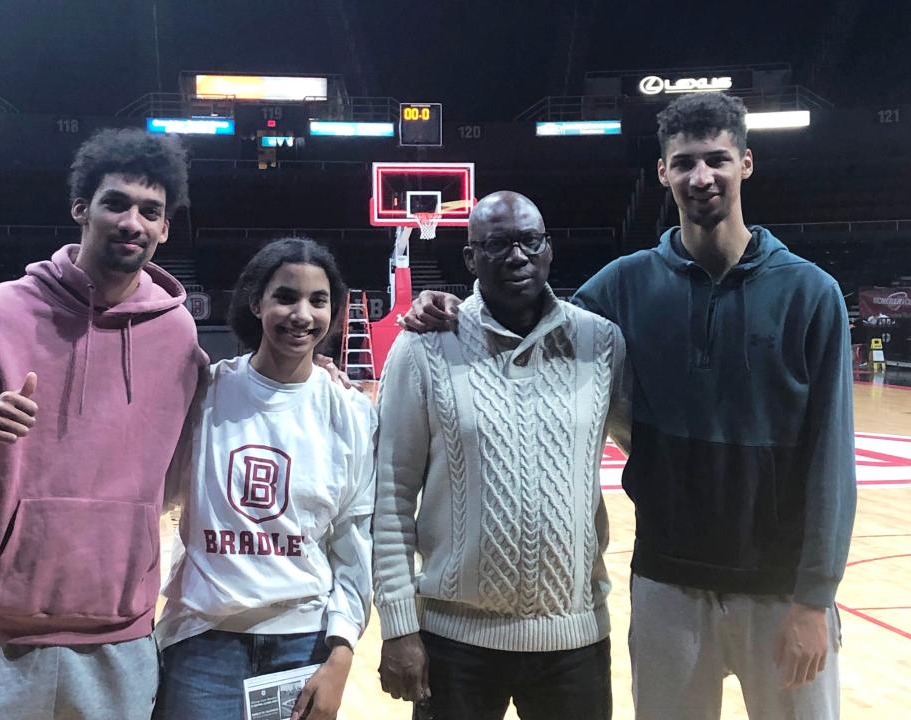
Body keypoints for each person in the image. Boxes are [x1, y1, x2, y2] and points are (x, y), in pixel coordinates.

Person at [402, 94, 856, 720]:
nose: (703, 177)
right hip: (666, 581)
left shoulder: (812, 292)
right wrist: (443, 306)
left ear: (745, 163)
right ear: (664, 173)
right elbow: (530, 313)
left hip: (779, 591)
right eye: (685, 162)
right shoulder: (624, 284)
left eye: (717, 159)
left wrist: (814, 598)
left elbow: (832, 459)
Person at [0, 128, 206, 719]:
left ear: (166, 228)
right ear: (80, 210)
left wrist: (316, 370)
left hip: (120, 634)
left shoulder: (178, 335)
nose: (132, 222)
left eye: (151, 211)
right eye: (115, 203)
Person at [374, 191, 631, 720]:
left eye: (528, 242)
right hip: (453, 643)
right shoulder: (423, 347)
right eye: (496, 244)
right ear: (470, 257)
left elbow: (650, 448)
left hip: (574, 637)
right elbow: (391, 496)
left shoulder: (600, 341)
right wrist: (399, 626)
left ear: (548, 249)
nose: (516, 256)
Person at [153, 238, 376, 720]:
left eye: (319, 301)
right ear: (257, 302)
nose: (302, 314)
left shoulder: (352, 413)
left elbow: (353, 544)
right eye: (285, 297)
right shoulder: (205, 392)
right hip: (201, 639)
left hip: (303, 642)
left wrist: (340, 654)